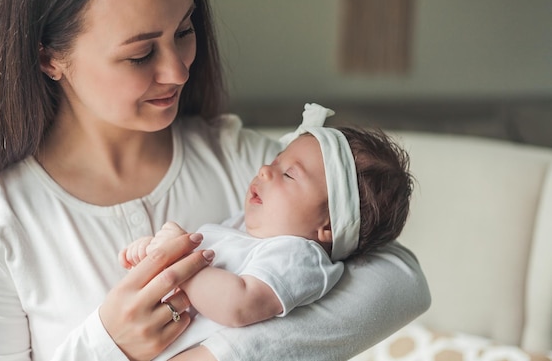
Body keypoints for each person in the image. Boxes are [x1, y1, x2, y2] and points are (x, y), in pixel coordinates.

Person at [0, 0, 430, 360]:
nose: (178, 71)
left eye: (185, 31)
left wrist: (218, 356)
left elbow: (402, 279)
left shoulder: (239, 161)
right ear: (48, 56)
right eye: (140, 53)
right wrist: (107, 345)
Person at [121, 104, 415, 361]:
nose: (264, 170)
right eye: (275, 161)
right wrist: (155, 253)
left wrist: (179, 259)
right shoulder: (239, 227)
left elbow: (236, 305)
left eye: (289, 174)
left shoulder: (299, 256)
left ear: (327, 226)